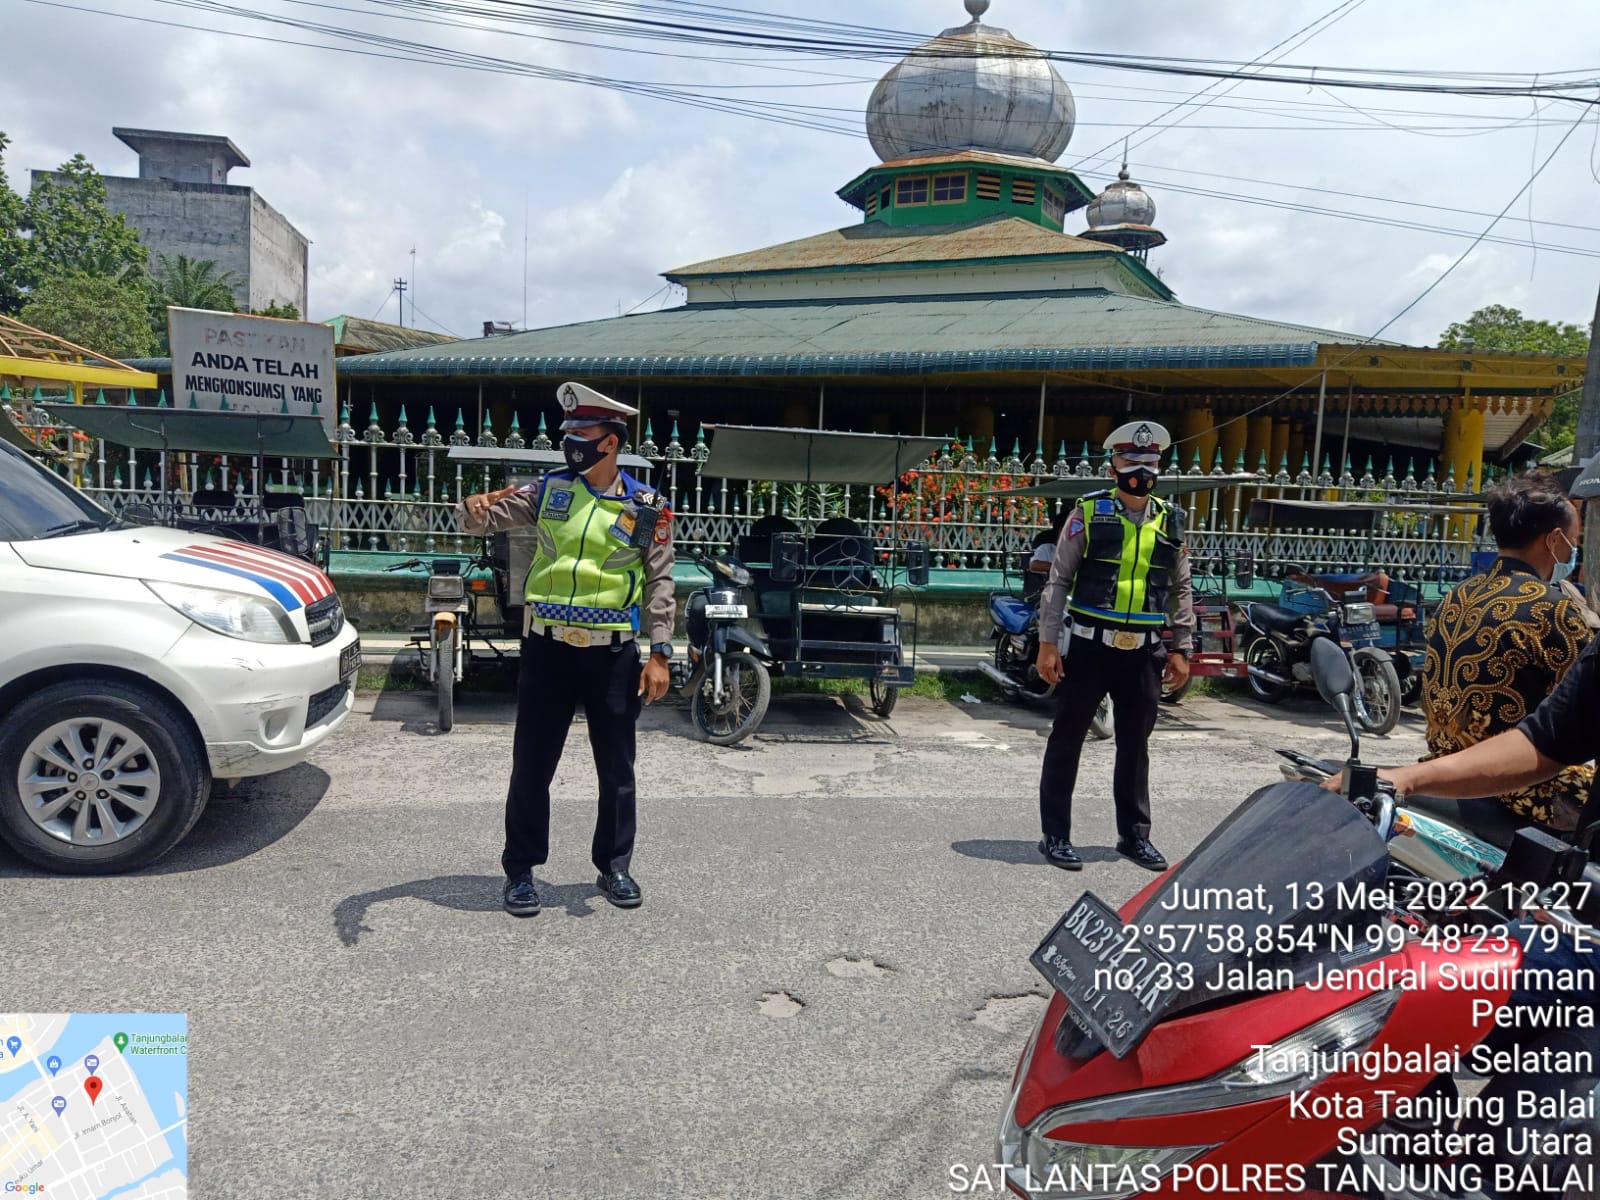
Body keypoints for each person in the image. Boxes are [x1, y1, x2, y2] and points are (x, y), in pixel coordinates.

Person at [458, 381, 676, 917]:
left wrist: (661, 652)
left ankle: (614, 866)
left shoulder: (648, 506)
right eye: (568, 434)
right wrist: (473, 509)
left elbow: (660, 583)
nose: (570, 443)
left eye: (581, 434)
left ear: (610, 442)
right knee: (532, 764)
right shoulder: (548, 490)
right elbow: (482, 519)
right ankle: (521, 871)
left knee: (617, 767)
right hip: (548, 649)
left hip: (611, 655)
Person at [1034, 420, 1195, 872]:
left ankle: (1134, 836)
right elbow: (1058, 580)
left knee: (1135, 745)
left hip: (1143, 651)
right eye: (1130, 462)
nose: (1140, 471)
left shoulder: (1171, 519)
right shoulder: (1088, 512)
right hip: (1089, 648)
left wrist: (1182, 648)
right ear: (1113, 467)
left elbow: (1181, 589)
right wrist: (1048, 643)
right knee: (1067, 739)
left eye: (1149, 463)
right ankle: (1055, 836)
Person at [1420, 470, 1593, 831]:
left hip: (1442, 766)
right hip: (1520, 787)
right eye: (1574, 540)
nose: (1573, 549)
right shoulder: (1552, 608)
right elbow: (1582, 706)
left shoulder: (1456, 596)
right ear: (1554, 540)